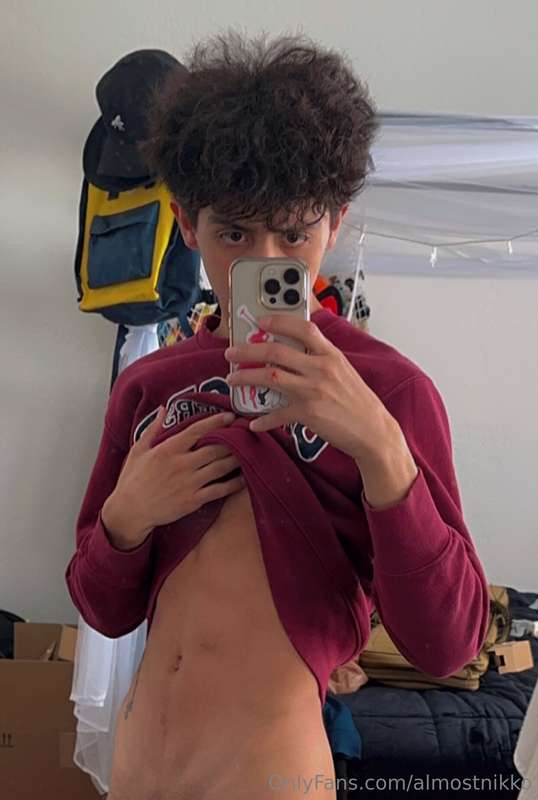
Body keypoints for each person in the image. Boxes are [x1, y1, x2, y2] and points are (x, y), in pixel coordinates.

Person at [65, 29, 491, 800]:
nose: (264, 260)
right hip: (137, 771)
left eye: (293, 233)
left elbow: (449, 643)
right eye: (233, 233)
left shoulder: (389, 391)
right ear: (187, 224)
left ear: (335, 221)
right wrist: (127, 517)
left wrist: (382, 451)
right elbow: (102, 606)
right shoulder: (152, 385)